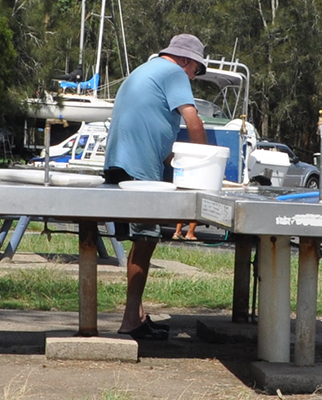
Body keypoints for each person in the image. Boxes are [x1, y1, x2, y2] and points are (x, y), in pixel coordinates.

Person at [103, 33, 208, 340]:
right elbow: (194, 121)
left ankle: (136, 316)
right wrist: (203, 163)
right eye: (196, 71)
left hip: (119, 163)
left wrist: (171, 155)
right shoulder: (175, 72)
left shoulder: (145, 69)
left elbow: (146, 121)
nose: (193, 77)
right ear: (186, 60)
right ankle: (130, 322)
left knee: (140, 242)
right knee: (145, 241)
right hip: (140, 171)